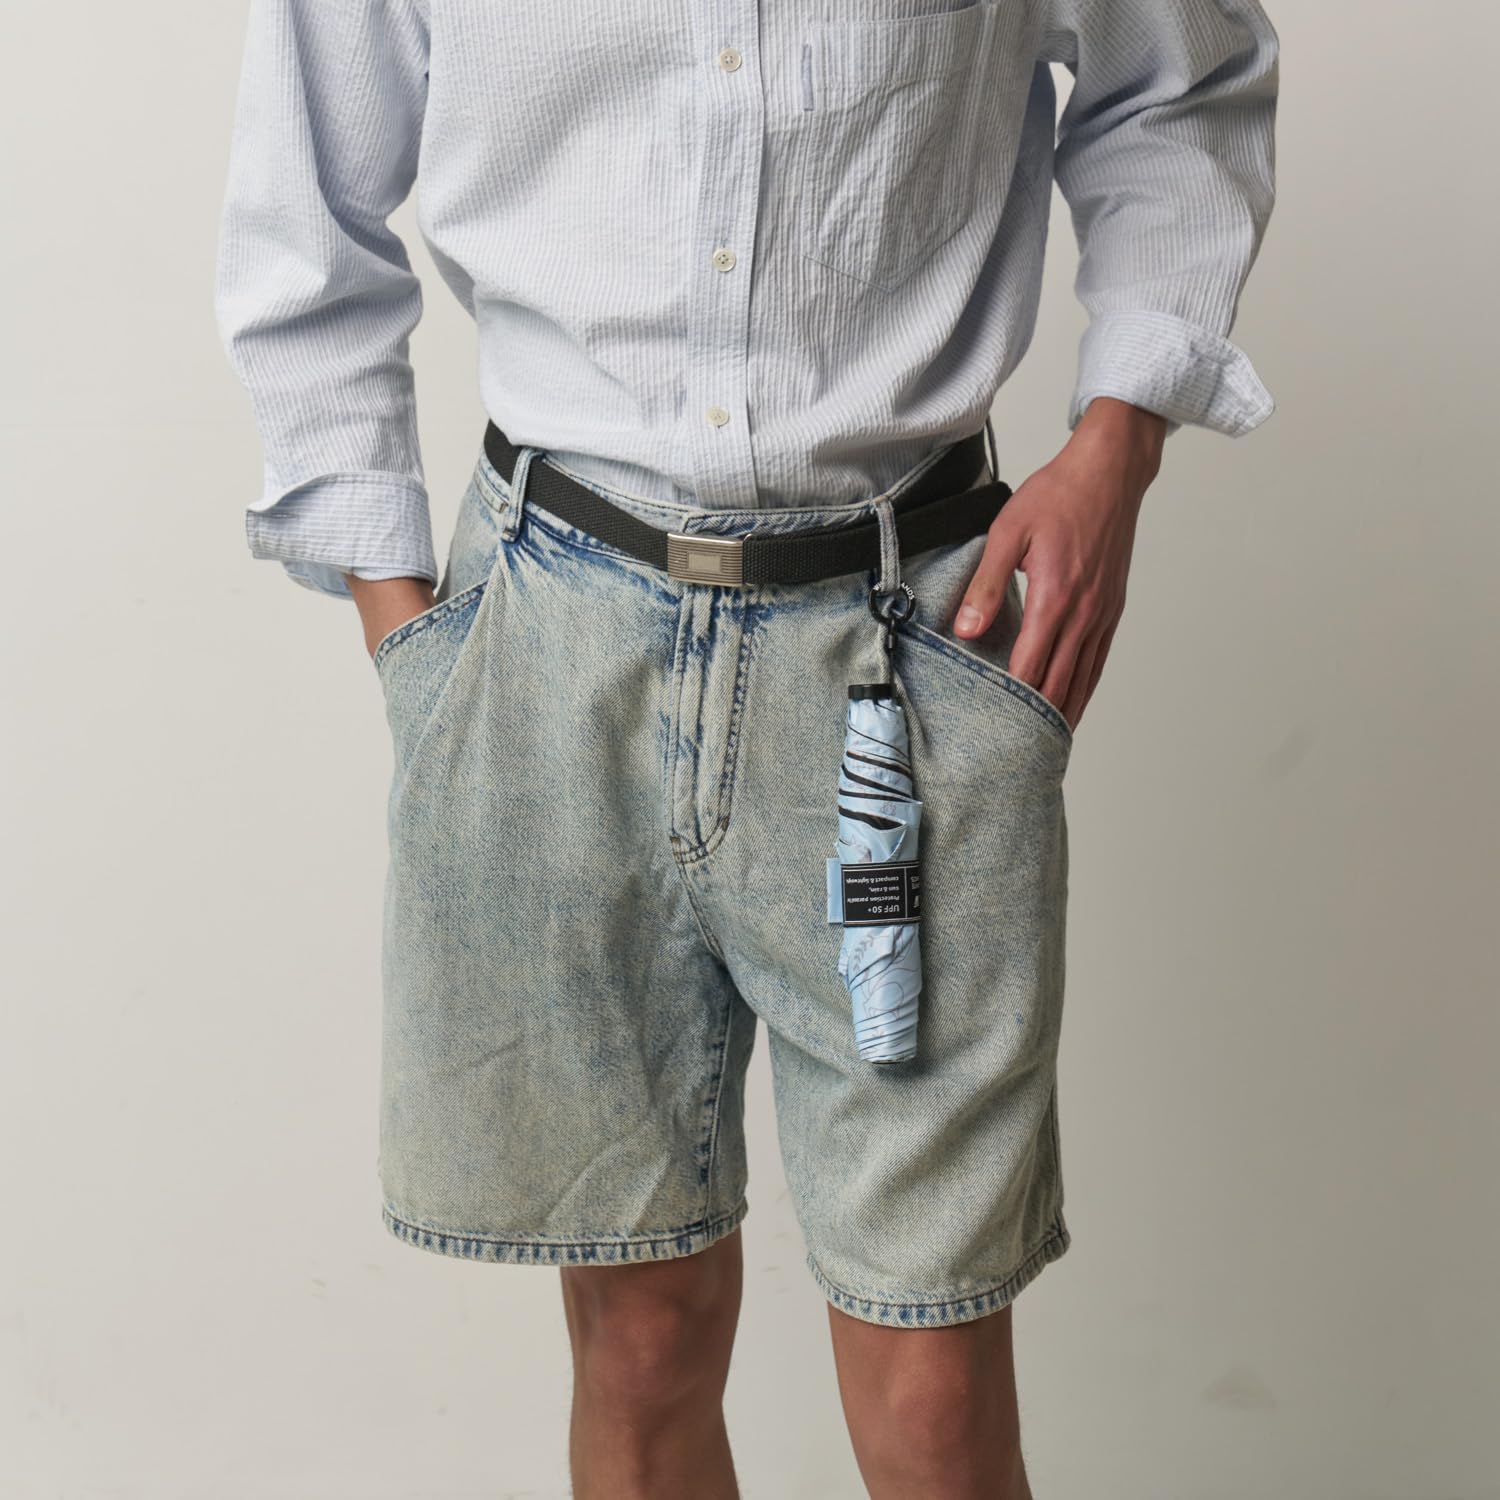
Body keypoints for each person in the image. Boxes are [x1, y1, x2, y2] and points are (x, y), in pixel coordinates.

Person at [213, 1, 1278, 1494]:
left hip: (915, 640)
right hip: (552, 644)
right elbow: (305, 212)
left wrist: (1121, 443)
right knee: (640, 1337)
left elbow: (1183, 83)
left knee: (932, 1386)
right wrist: (414, 644)